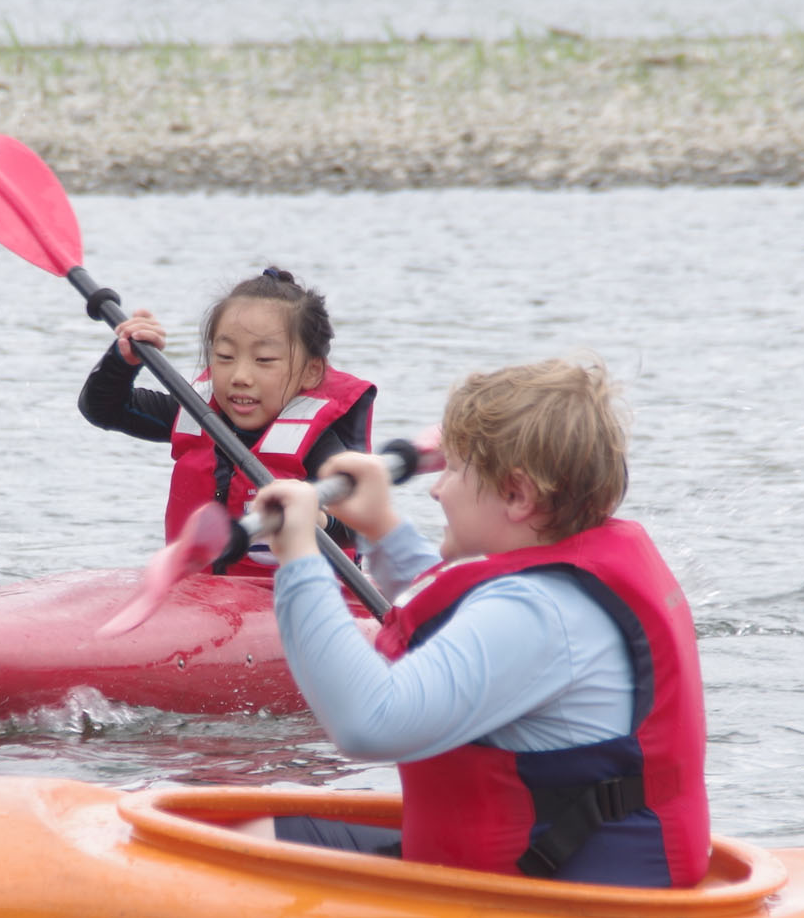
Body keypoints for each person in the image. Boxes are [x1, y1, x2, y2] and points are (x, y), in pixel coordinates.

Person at [249, 359, 711, 888]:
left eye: (455, 471)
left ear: (516, 495)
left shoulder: (541, 614)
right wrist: (379, 527)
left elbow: (367, 722)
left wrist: (299, 556)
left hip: (562, 898)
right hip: (534, 865)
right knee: (255, 831)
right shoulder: (552, 590)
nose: (436, 490)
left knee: (249, 848)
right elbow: (465, 617)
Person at [79, 267, 374, 574]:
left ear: (311, 372)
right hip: (195, 599)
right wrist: (123, 359)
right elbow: (102, 408)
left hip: (284, 603)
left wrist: (321, 519)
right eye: (225, 356)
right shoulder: (196, 414)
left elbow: (363, 523)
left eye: (264, 361)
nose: (240, 377)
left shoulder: (321, 445)